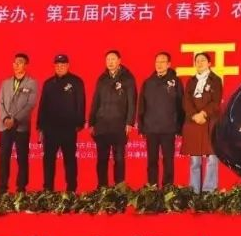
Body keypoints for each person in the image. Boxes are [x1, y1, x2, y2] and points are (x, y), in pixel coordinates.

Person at [89, 50, 137, 189]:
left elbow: (132, 101)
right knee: (102, 159)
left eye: (113, 59)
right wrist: (92, 122)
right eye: (108, 59)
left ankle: (119, 188)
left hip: (119, 125)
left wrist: (129, 122)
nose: (110, 62)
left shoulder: (128, 78)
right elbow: (95, 101)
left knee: (119, 158)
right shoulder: (102, 78)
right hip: (102, 124)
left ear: (119, 61)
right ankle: (102, 187)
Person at [37, 54, 85, 192]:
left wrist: (79, 123)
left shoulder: (76, 81)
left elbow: (81, 103)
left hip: (68, 128)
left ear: (68, 65)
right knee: (48, 160)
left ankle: (71, 189)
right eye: (57, 65)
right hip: (50, 129)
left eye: (63, 65)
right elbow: (42, 105)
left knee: (69, 160)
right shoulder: (48, 83)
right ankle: (48, 189)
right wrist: (40, 126)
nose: (60, 67)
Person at [138, 52, 184, 186]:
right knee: (152, 161)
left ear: (169, 64)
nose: (159, 64)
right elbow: (142, 105)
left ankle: (167, 188)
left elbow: (181, 104)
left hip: (168, 128)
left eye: (163, 62)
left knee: (168, 161)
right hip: (151, 128)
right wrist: (141, 126)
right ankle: (152, 187)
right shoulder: (148, 82)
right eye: (157, 62)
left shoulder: (176, 82)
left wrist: (180, 127)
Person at [0, 53, 37, 194]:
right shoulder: (5, 83)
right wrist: (5, 118)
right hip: (4, 126)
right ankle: (2, 188)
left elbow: (30, 104)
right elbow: (0, 102)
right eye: (15, 62)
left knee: (22, 158)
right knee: (3, 158)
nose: (17, 65)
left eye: (20, 62)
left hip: (21, 126)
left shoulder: (31, 83)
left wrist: (15, 119)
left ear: (26, 65)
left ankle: (21, 188)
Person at [182, 52, 222, 192]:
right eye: (197, 61)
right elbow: (186, 101)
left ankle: (209, 191)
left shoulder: (215, 80)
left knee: (212, 159)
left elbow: (216, 101)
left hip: (210, 121)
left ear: (209, 63)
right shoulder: (191, 81)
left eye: (203, 60)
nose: (199, 63)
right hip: (194, 122)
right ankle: (194, 190)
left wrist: (203, 113)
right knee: (195, 160)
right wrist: (194, 115)